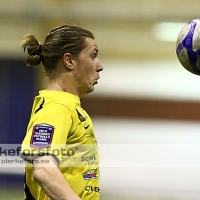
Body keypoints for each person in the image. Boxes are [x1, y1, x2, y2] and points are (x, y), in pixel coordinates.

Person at [20, 25, 103, 200]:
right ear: (69, 61)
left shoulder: (68, 107)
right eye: (93, 56)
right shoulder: (58, 107)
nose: (100, 66)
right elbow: (43, 169)